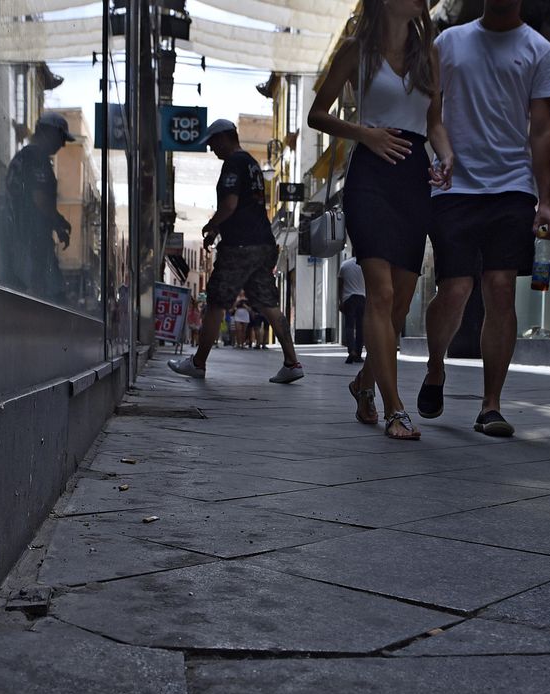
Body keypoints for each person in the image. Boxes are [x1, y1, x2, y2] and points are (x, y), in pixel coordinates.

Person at [308, 0, 454, 440]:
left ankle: (363, 384)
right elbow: (318, 114)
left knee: (401, 304)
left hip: (413, 176)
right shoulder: (357, 49)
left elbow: (434, 122)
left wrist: (446, 157)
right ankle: (395, 409)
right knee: (381, 292)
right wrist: (364, 132)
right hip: (370, 172)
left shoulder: (428, 53)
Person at [417, 0, 550, 437]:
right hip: (454, 187)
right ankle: (436, 366)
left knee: (500, 290)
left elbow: (542, 128)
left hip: (513, 187)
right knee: (455, 289)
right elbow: (433, 113)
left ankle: (490, 405)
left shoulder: (540, 50)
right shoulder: (448, 42)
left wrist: (547, 199)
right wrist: (444, 154)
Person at [168, 118, 304, 383]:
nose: (211, 149)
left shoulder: (233, 163)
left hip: (240, 245)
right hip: (263, 242)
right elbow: (244, 205)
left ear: (225, 138)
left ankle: (198, 363)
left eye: (212, 143)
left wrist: (212, 225)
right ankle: (292, 362)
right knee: (268, 303)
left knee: (217, 301)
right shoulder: (252, 164)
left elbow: (230, 205)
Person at [4, 110, 74, 299]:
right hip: (30, 242)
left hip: (22, 239)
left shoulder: (25, 156)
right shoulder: (36, 157)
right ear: (49, 133)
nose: (63, 144)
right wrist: (58, 222)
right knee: (46, 298)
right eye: (61, 137)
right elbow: (40, 199)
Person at [339, 255, 367, 364]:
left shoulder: (344, 265)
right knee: (361, 327)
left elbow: (340, 285)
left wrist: (340, 301)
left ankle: (351, 351)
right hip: (362, 298)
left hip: (349, 298)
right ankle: (358, 353)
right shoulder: (364, 265)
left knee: (349, 326)